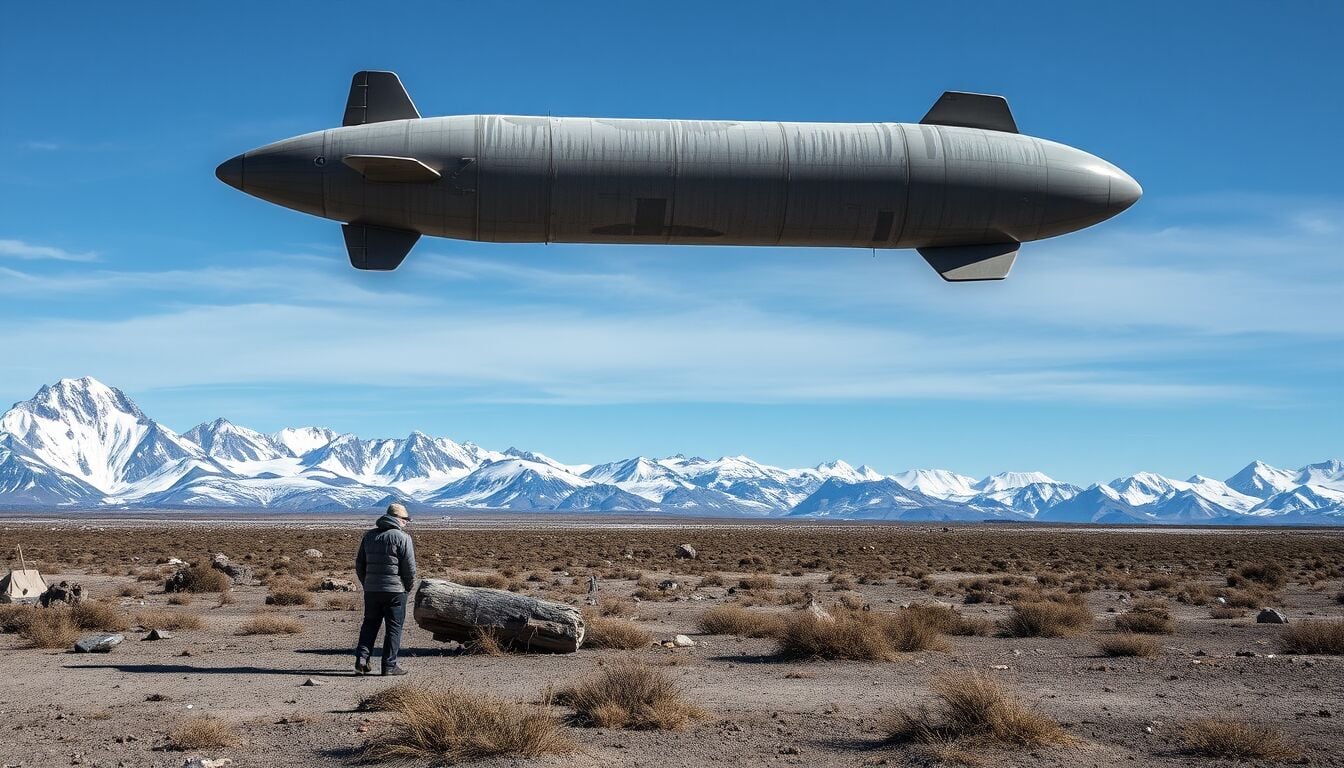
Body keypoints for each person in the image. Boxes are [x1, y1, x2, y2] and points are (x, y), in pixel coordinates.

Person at [354, 502, 417, 676]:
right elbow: (409, 569)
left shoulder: (369, 536)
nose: (406, 522)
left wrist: (367, 583)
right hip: (395, 591)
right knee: (394, 628)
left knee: (369, 625)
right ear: (397, 519)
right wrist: (407, 588)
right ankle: (389, 666)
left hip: (372, 590)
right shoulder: (403, 538)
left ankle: (361, 658)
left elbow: (360, 564)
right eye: (405, 519)